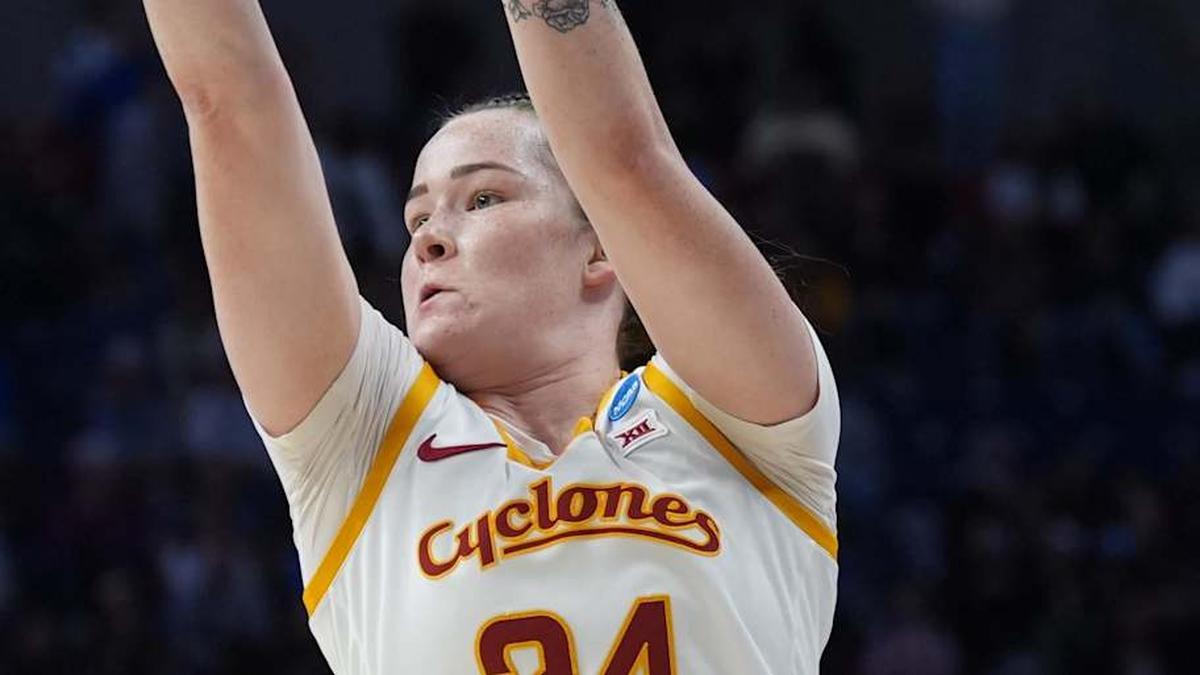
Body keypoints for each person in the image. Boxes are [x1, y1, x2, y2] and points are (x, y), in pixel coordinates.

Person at [142, 0, 840, 672]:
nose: (430, 240)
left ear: (601, 247)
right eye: (417, 220)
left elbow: (625, 159)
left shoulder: (733, 419)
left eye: (483, 199)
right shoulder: (362, 444)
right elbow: (230, 104)